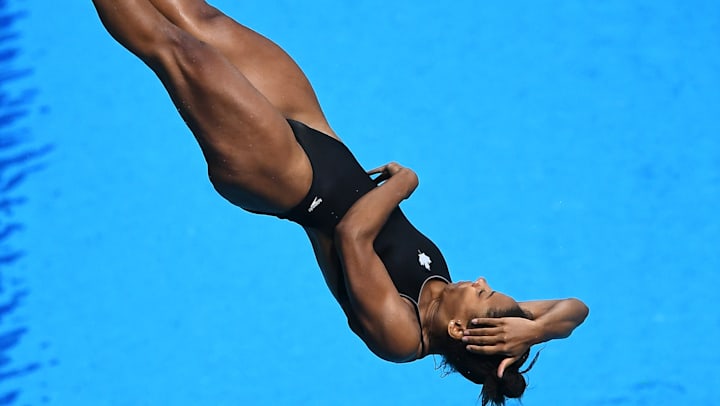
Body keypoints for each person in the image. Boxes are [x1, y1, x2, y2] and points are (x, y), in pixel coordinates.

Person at [91, 1, 589, 404]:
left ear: (459, 329)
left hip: (282, 177)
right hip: (318, 133)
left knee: (179, 51)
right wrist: (537, 330)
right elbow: (576, 309)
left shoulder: (402, 336)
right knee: (200, 19)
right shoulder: (468, 306)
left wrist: (404, 183)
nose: (481, 281)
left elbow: (354, 236)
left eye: (484, 294)